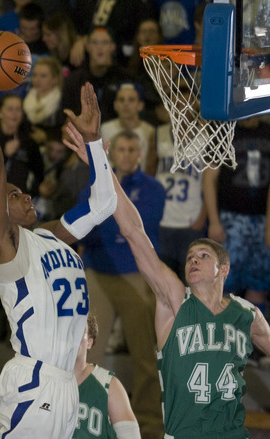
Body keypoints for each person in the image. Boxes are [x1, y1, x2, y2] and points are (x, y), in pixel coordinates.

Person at [62, 92, 270, 439]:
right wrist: (100, 161)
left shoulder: (248, 315)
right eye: (190, 256)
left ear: (224, 270)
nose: (193, 259)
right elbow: (133, 230)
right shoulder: (175, 300)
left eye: (204, 256)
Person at [0, 42, 117, 439]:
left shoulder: (47, 235)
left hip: (66, 383)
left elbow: (103, 204)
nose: (26, 195)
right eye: (14, 195)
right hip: (34, 380)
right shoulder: (4, 247)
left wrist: (95, 142)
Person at [76, 130, 165, 439]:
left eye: (131, 149)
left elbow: (138, 228)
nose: (126, 154)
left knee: (145, 357)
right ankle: (84, 421)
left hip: (134, 274)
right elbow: (84, 229)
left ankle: (151, 427)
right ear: (113, 155)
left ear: (140, 154)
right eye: (121, 149)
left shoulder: (154, 189)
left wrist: (108, 224)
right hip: (97, 274)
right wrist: (111, 227)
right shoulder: (92, 185)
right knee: (85, 355)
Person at [203, 117, 270, 319]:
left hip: (260, 219)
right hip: (231, 219)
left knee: (258, 283)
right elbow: (209, 178)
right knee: (224, 283)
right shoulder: (223, 132)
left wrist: (268, 225)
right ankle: (223, 339)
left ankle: (252, 343)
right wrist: (214, 220)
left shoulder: (268, 132)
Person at [145, 91, 207, 284]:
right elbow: (149, 175)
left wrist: (203, 216)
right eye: (177, 105)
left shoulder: (207, 135)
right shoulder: (158, 133)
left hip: (191, 218)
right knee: (164, 283)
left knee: (192, 281)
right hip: (163, 219)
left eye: (187, 105)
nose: (182, 110)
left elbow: (211, 182)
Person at [73, 313, 141, 439]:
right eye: (68, 329)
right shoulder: (44, 381)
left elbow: (132, 435)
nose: (72, 336)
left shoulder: (109, 385)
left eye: (79, 330)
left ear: (89, 342)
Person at [57, 26, 131, 126]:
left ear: (112, 47)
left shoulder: (125, 79)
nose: (99, 47)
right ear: (87, 46)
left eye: (104, 42)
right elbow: (65, 115)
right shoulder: (74, 79)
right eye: (95, 42)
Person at [69, 0, 157, 67]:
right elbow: (78, 26)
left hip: (121, 60)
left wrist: (87, 39)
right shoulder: (86, 3)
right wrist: (80, 40)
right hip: (87, 61)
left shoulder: (132, 4)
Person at [0, 93, 44, 197]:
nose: (14, 114)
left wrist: (30, 195)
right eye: (10, 109)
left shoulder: (28, 141)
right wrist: (5, 155)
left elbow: (39, 173)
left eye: (18, 109)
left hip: (21, 200)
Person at [100, 82, 155, 171]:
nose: (126, 104)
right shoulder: (104, 129)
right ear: (115, 105)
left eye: (131, 100)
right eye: (121, 100)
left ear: (140, 105)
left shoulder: (149, 131)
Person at [23, 56, 64, 145]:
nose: (37, 80)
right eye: (34, 75)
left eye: (43, 76)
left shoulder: (63, 102)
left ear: (54, 79)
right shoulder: (26, 101)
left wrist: (47, 137)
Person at [42, 13, 77, 78]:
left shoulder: (77, 56)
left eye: (48, 34)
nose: (44, 39)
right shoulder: (54, 55)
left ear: (61, 35)